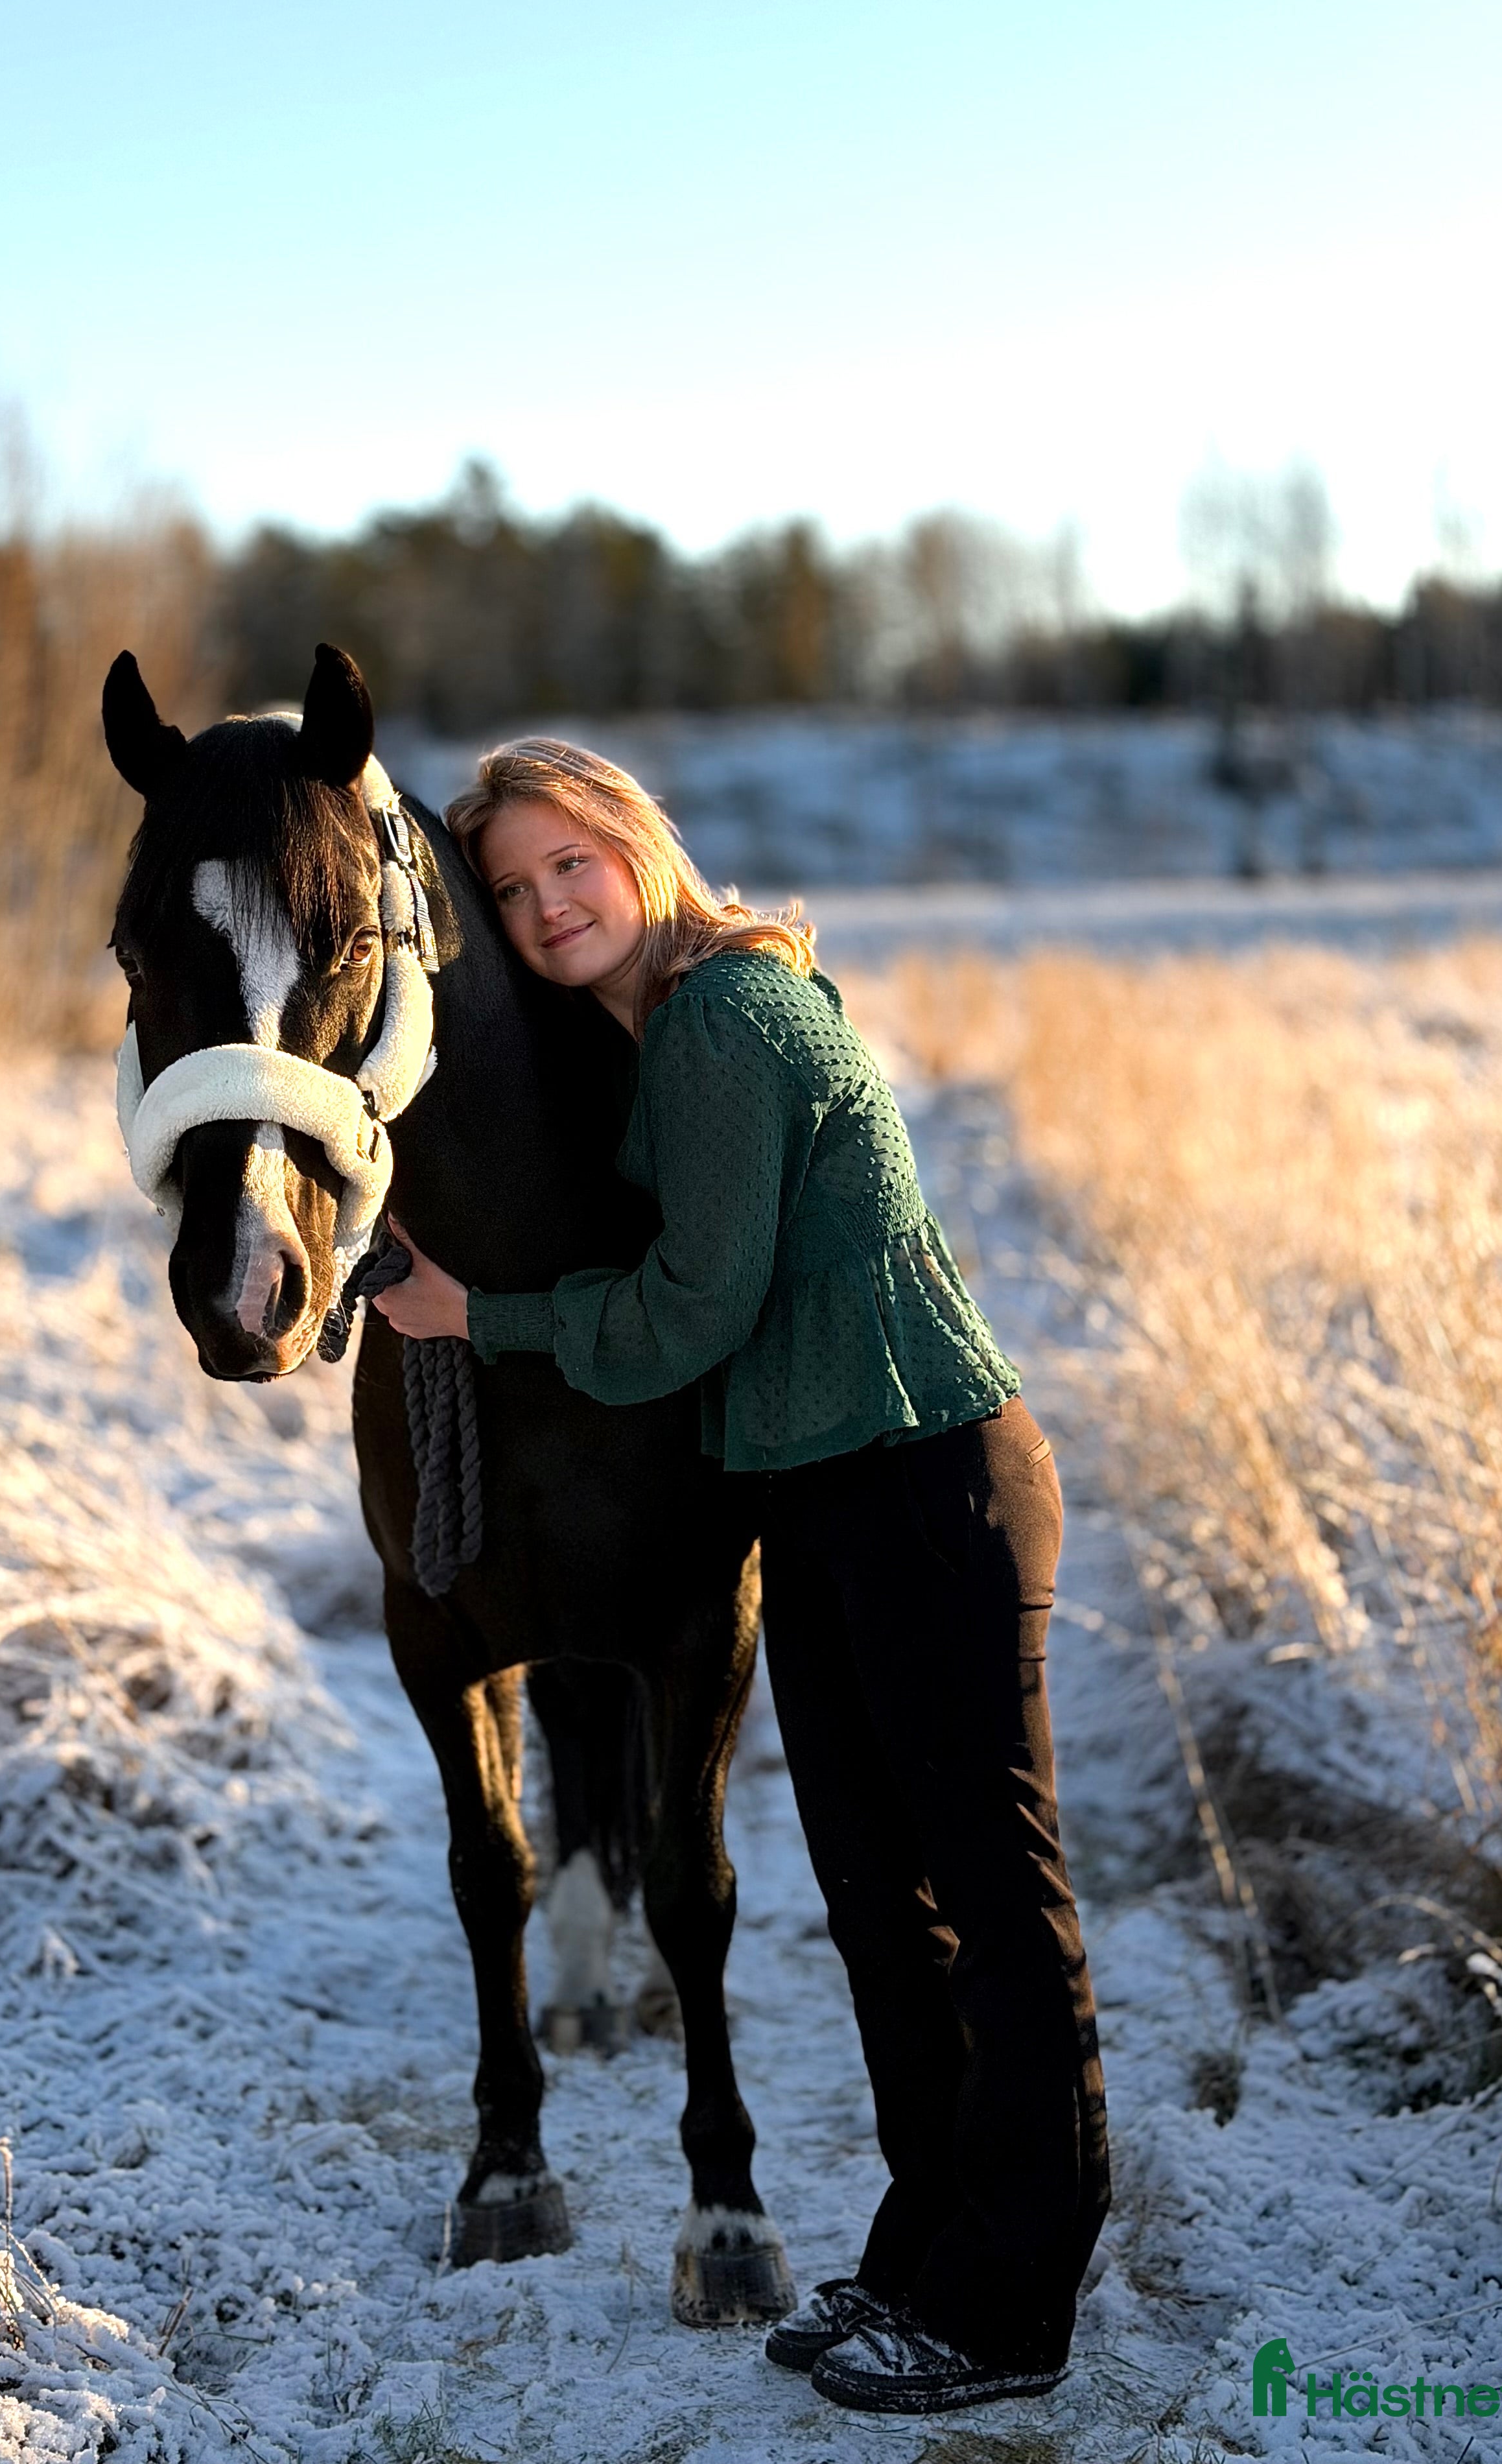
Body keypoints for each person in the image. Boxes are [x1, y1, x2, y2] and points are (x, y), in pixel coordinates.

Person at [373, 739, 1107, 2419]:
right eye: (511, 888)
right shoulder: (652, 1036)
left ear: (636, 844)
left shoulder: (720, 1017)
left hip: (929, 1474)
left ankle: (1013, 2309)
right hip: (824, 1495)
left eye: (570, 861)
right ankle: (927, 2261)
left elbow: (694, 1309)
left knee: (997, 1910)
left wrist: (478, 1318)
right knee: (884, 1909)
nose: (547, 905)